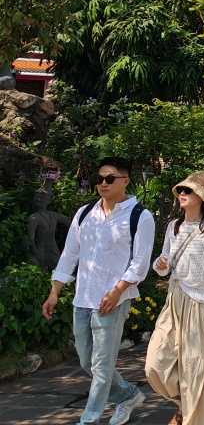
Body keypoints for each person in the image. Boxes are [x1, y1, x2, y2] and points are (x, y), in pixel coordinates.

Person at [43, 157, 155, 425]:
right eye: (99, 178)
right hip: (83, 298)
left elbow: (139, 264)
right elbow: (70, 254)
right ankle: (128, 395)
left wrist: (117, 292)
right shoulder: (84, 213)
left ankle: (89, 418)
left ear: (125, 180)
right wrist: (55, 291)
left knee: (102, 366)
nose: (102, 183)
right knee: (86, 361)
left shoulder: (140, 215)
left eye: (110, 178)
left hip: (112, 301)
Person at [146, 172, 204, 425]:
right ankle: (183, 403)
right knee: (155, 363)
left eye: (188, 191)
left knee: (194, 370)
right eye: (181, 189)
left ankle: (193, 419)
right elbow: (165, 265)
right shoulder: (174, 226)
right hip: (175, 300)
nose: (182, 193)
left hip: (202, 305)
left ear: (201, 197)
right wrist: (159, 264)